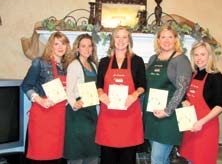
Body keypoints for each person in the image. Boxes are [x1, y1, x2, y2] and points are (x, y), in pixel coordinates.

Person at [95, 25, 147, 164]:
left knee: (128, 158)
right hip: (108, 117)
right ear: (113, 40)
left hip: (129, 117)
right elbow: (98, 85)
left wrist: (134, 95)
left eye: (124, 37)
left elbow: (143, 86)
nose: (121, 40)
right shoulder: (104, 61)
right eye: (117, 36)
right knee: (107, 158)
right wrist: (101, 94)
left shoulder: (137, 61)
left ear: (129, 40)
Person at [143, 24, 192, 164]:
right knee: (160, 159)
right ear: (158, 40)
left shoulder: (181, 60)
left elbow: (182, 88)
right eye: (163, 37)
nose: (166, 40)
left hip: (169, 117)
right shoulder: (153, 58)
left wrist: (167, 111)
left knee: (157, 159)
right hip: (152, 115)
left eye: (170, 37)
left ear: (176, 39)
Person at [21, 31, 72, 164]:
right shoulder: (40, 63)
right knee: (39, 157)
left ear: (67, 46)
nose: (60, 47)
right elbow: (26, 85)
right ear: (51, 46)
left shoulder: (68, 67)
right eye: (56, 44)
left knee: (56, 157)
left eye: (63, 43)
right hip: (42, 118)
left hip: (59, 119)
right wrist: (40, 100)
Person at [179, 41, 222, 164]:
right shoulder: (194, 74)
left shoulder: (216, 76)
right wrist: (186, 103)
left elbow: (220, 106)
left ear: (209, 56)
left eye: (202, 54)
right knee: (190, 160)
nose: (199, 58)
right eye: (196, 55)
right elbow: (189, 97)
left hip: (206, 128)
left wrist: (201, 122)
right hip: (191, 127)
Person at [64, 34, 100, 164]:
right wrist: (74, 103)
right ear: (77, 48)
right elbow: (69, 90)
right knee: (77, 152)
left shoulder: (93, 65)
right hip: (77, 114)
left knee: (92, 150)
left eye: (89, 46)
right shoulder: (74, 65)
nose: (87, 49)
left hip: (91, 112)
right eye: (83, 46)